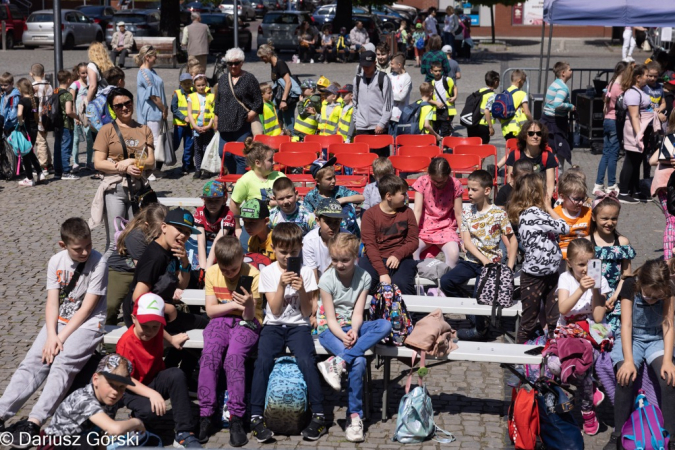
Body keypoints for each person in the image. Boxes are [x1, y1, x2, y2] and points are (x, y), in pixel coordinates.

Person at [0, 218, 107, 446]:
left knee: (62, 363)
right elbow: (52, 302)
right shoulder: (55, 261)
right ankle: (2, 413)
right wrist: (51, 335)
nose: (85, 252)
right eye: (78, 249)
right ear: (63, 245)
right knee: (33, 361)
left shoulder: (99, 262)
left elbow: (88, 307)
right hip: (58, 322)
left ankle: (35, 421)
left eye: (88, 245)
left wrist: (60, 338)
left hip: (88, 324)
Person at [250, 223, 326, 443]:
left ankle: (319, 414)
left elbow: (305, 310)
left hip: (298, 326)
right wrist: (282, 286)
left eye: (293, 252)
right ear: (273, 248)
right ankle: (255, 416)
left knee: (306, 360)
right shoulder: (268, 272)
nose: (287, 257)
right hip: (274, 325)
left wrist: (301, 288)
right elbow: (273, 309)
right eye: (282, 252)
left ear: (300, 248)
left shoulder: (305, 273)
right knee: (263, 360)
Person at [316, 233, 391, 442]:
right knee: (357, 361)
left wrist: (355, 331)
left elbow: (358, 313)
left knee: (384, 324)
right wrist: (343, 335)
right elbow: (329, 319)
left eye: (345, 260)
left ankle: (337, 362)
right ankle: (354, 416)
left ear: (355, 257)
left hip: (351, 326)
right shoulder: (327, 279)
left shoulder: (364, 277)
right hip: (329, 329)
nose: (339, 264)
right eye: (335, 259)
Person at [604, 259, 675, 450]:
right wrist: (628, 361)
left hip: (656, 338)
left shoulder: (669, 287)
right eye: (649, 296)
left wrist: (668, 360)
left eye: (657, 298)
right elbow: (626, 325)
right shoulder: (630, 285)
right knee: (625, 378)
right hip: (632, 337)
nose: (652, 301)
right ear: (641, 284)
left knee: (669, 379)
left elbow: (668, 323)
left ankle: (671, 437)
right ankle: (618, 434)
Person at [198, 236, 262, 446]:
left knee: (233, 358)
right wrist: (234, 305)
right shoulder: (212, 273)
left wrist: (248, 304)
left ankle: (236, 417)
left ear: (241, 259)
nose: (228, 274)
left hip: (247, 322)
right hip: (220, 321)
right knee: (210, 356)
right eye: (224, 270)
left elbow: (249, 316)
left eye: (233, 270)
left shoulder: (252, 274)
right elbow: (210, 311)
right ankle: (206, 414)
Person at [116, 293, 202, 448]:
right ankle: (138, 420)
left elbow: (161, 330)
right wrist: (152, 394)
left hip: (153, 380)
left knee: (177, 374)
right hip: (131, 389)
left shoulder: (157, 329)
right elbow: (124, 378)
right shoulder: (125, 343)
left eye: (155, 327)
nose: (150, 332)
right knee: (149, 411)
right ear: (133, 319)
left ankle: (184, 432)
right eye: (145, 327)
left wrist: (172, 339)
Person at [440, 170, 517, 340]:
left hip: (492, 265)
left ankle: (480, 330)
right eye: (469, 189)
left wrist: (509, 267)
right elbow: (466, 242)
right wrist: (483, 260)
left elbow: (513, 241)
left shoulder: (499, 214)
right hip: (472, 262)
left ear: (487, 191)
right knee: (446, 282)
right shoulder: (467, 212)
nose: (470, 193)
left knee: (479, 294)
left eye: (474, 190)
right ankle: (474, 317)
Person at [553, 238, 610, 436]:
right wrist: (581, 289)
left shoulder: (599, 279)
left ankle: (587, 411)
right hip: (569, 328)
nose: (586, 269)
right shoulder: (565, 279)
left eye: (590, 263)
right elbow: (563, 309)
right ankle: (590, 395)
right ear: (569, 263)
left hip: (592, 328)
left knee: (587, 359)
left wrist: (595, 289)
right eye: (581, 264)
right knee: (558, 364)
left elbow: (598, 316)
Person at [92, 87, 155, 254]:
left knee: (139, 238)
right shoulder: (106, 130)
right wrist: (123, 167)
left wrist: (132, 161)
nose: (124, 108)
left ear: (132, 103)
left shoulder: (144, 130)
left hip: (139, 190)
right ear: (113, 109)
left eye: (127, 103)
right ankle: (105, 277)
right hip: (115, 189)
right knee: (116, 240)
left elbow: (150, 161)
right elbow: (98, 163)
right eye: (118, 106)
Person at [37, 354, 145, 450]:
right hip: (55, 444)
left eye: (122, 387)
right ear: (95, 379)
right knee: (84, 443)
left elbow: (103, 436)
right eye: (111, 384)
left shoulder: (110, 400)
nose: (116, 392)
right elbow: (114, 429)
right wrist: (137, 422)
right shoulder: (83, 399)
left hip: (84, 442)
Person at [508, 174, 569, 343]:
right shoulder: (534, 214)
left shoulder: (529, 214)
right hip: (537, 277)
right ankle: (518, 358)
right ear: (538, 193)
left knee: (551, 319)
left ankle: (551, 352)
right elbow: (565, 227)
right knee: (532, 320)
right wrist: (549, 208)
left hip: (548, 273)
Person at [360, 174, 419, 295]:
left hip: (401, 258)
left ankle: (412, 314)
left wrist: (398, 255)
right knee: (366, 283)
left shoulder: (408, 212)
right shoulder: (370, 215)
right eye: (402, 193)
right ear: (388, 196)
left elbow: (413, 241)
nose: (406, 196)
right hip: (375, 257)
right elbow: (370, 246)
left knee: (402, 284)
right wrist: (382, 272)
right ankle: (366, 313)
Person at [585, 194, 635, 332]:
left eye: (614, 218)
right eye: (605, 218)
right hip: (592, 295)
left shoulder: (622, 242)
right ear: (594, 217)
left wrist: (614, 296)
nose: (610, 222)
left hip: (615, 297)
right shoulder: (587, 242)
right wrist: (600, 298)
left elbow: (626, 275)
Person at [215, 47, 263, 175]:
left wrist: (251, 114)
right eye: (230, 63)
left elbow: (258, 101)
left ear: (241, 62)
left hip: (242, 124)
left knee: (240, 156)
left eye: (236, 63)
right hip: (225, 125)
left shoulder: (249, 78)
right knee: (224, 153)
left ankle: (239, 182)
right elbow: (218, 101)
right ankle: (232, 176)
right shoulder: (223, 79)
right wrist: (216, 118)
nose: (233, 66)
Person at [229, 139, 285, 241]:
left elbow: (290, 197)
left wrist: (278, 203)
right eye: (270, 160)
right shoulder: (245, 180)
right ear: (258, 163)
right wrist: (237, 227)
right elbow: (234, 204)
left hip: (279, 223)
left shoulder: (280, 177)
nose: (274, 162)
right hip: (254, 225)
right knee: (246, 250)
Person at [412, 157, 462, 267]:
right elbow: (417, 210)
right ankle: (416, 278)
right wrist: (413, 234)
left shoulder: (455, 184)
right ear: (429, 174)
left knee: (454, 254)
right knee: (412, 250)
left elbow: (459, 213)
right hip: (424, 226)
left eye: (442, 181)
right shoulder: (422, 182)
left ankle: (447, 281)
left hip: (446, 227)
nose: (438, 184)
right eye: (434, 181)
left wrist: (463, 236)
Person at [304, 158, 364, 237]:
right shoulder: (311, 197)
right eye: (329, 179)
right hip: (327, 236)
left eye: (334, 177)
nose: (333, 181)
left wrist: (341, 200)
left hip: (349, 236)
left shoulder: (340, 190)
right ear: (318, 181)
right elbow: (309, 219)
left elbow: (361, 197)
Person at [618, 64, 652, 204]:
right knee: (631, 160)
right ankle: (624, 192)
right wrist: (639, 134)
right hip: (635, 131)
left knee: (637, 161)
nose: (649, 78)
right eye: (646, 75)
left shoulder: (641, 90)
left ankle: (635, 190)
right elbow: (634, 116)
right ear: (638, 78)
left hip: (642, 130)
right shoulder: (632, 93)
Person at [594, 62, 629, 195]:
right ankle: (611, 184)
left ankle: (598, 183)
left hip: (607, 120)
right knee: (613, 155)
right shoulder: (620, 88)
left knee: (606, 154)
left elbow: (604, 107)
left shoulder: (610, 84)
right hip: (615, 121)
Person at [135, 45, 168, 181]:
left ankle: (152, 168)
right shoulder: (145, 73)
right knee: (151, 142)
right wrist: (163, 109)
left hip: (156, 112)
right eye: (154, 55)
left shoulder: (151, 71)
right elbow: (153, 96)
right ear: (147, 57)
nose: (156, 58)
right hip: (151, 112)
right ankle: (147, 170)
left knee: (154, 140)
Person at [351, 51, 393, 156]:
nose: (366, 68)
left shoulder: (383, 78)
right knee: (363, 159)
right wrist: (356, 121)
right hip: (362, 126)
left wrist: (382, 123)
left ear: (374, 63)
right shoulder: (357, 79)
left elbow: (388, 104)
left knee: (381, 161)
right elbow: (355, 102)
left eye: (368, 66)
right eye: (363, 65)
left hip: (378, 127)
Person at [504, 120, 558, 200]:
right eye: (531, 133)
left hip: (541, 198)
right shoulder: (515, 155)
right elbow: (510, 183)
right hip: (519, 198)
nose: (535, 136)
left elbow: (550, 186)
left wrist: (546, 202)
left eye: (539, 134)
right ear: (525, 136)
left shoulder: (548, 156)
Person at [303, 198, 348, 281]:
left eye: (336, 222)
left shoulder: (347, 238)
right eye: (328, 221)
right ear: (318, 221)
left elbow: (350, 271)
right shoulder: (309, 241)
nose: (333, 226)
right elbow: (312, 276)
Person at [195, 180, 236, 270]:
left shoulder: (228, 215)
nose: (213, 204)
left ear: (224, 200)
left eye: (217, 200)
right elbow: (200, 240)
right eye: (209, 201)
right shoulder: (199, 212)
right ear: (204, 200)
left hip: (225, 245)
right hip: (207, 243)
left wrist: (207, 269)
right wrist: (203, 267)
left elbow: (217, 242)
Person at [542, 61, 575, 171]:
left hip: (548, 120)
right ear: (563, 73)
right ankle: (556, 179)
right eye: (570, 69)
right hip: (555, 124)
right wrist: (570, 107)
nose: (572, 71)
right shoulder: (562, 88)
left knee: (551, 150)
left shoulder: (555, 83)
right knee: (559, 151)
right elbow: (557, 104)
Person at [257, 44, 297, 131]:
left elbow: (288, 82)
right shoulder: (273, 64)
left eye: (263, 57)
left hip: (286, 99)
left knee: (289, 125)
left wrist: (283, 100)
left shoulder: (280, 63)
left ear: (268, 54)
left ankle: (293, 142)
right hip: (278, 98)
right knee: (279, 122)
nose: (261, 59)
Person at [553, 175, 592, 260]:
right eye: (576, 199)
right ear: (562, 196)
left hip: (583, 253)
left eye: (583, 198)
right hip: (561, 256)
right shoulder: (555, 214)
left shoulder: (588, 212)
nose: (581, 202)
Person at [15, 78, 45, 186]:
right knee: (30, 151)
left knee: (25, 153)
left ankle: (29, 178)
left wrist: (21, 122)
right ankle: (40, 172)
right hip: (34, 128)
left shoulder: (22, 101)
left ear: (20, 89)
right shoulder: (35, 99)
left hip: (26, 129)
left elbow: (19, 114)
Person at [187, 74, 215, 180]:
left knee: (206, 148)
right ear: (194, 86)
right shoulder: (191, 97)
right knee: (197, 148)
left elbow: (213, 112)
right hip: (196, 127)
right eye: (198, 85)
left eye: (203, 85)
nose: (201, 87)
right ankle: (198, 169)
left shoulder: (211, 96)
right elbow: (189, 113)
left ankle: (206, 170)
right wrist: (194, 126)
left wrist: (209, 126)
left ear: (206, 84)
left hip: (208, 127)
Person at [53, 70, 79, 181]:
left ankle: (57, 171)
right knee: (66, 148)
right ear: (68, 80)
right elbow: (68, 111)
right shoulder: (67, 95)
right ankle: (66, 172)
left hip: (56, 124)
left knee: (57, 147)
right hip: (66, 124)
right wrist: (77, 117)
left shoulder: (55, 92)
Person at [30, 63, 53, 172]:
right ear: (44, 74)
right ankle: (49, 163)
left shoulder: (33, 87)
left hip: (38, 119)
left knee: (40, 142)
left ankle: (43, 165)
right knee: (43, 139)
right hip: (47, 117)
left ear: (31, 74)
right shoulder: (49, 85)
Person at [69, 63, 92, 173]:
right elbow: (71, 100)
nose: (85, 75)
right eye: (83, 73)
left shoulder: (90, 83)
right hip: (77, 115)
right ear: (78, 73)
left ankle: (89, 162)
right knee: (76, 139)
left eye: (87, 72)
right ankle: (76, 162)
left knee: (89, 139)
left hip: (87, 115)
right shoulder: (75, 85)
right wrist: (75, 116)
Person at [467, 70, 499, 144]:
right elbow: (486, 111)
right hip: (483, 126)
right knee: (482, 150)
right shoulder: (492, 95)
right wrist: (490, 127)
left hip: (472, 124)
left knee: (472, 149)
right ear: (496, 82)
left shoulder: (479, 91)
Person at [172, 73, 195, 175]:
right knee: (175, 145)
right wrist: (183, 117)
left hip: (190, 125)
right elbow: (174, 108)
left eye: (189, 83)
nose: (187, 84)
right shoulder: (177, 94)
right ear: (180, 83)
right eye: (184, 83)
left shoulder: (194, 93)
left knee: (188, 146)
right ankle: (166, 160)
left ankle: (186, 165)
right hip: (179, 125)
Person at [499, 70, 531, 141]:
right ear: (519, 81)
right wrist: (532, 122)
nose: (523, 83)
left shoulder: (503, 94)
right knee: (520, 150)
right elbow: (527, 112)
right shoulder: (522, 94)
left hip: (506, 129)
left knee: (511, 150)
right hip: (519, 129)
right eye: (523, 81)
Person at [430, 61, 457, 138]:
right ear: (431, 71)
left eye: (439, 70)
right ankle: (436, 147)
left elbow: (454, 87)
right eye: (435, 71)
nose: (438, 72)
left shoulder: (447, 80)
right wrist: (436, 103)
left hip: (447, 110)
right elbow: (428, 98)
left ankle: (445, 147)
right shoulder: (432, 83)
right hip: (436, 110)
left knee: (445, 130)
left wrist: (455, 96)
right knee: (435, 130)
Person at [388, 54, 412, 137]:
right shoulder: (389, 76)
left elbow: (402, 97)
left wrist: (388, 95)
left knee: (398, 142)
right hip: (388, 116)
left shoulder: (407, 78)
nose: (390, 66)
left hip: (400, 116)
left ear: (399, 65)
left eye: (392, 64)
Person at [0, 72, 20, 136]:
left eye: (5, 85)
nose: (3, 87)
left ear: (12, 84)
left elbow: (14, 115)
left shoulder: (14, 96)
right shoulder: (4, 94)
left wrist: (6, 126)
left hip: (11, 127)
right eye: (1, 85)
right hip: (4, 124)